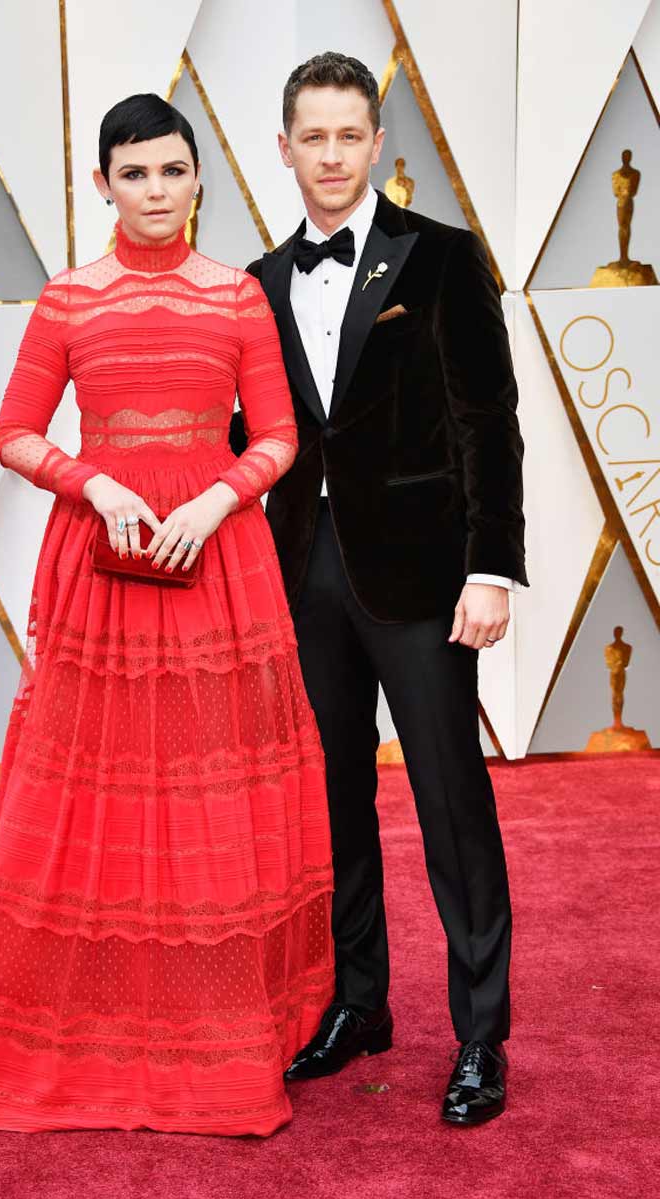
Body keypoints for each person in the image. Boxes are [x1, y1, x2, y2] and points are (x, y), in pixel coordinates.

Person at [0, 94, 334, 1138]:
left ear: (200, 179)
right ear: (101, 184)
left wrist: (212, 497)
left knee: (209, 798)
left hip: (217, 563)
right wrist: (90, 482)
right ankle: (88, 1028)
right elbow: (14, 433)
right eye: (135, 174)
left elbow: (280, 437)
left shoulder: (236, 298)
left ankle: (220, 1038)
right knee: (90, 796)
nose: (155, 192)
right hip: (100, 569)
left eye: (172, 171)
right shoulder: (68, 299)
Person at [231, 53, 527, 1125]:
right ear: (283, 148)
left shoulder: (439, 259)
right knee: (333, 802)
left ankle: (480, 1035)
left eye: (347, 135)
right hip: (298, 578)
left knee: (450, 802)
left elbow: (486, 424)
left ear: (377, 147)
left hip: (422, 579)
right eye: (311, 136)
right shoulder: (257, 282)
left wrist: (489, 565)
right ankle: (359, 1001)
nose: (329, 154)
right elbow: (247, 440)